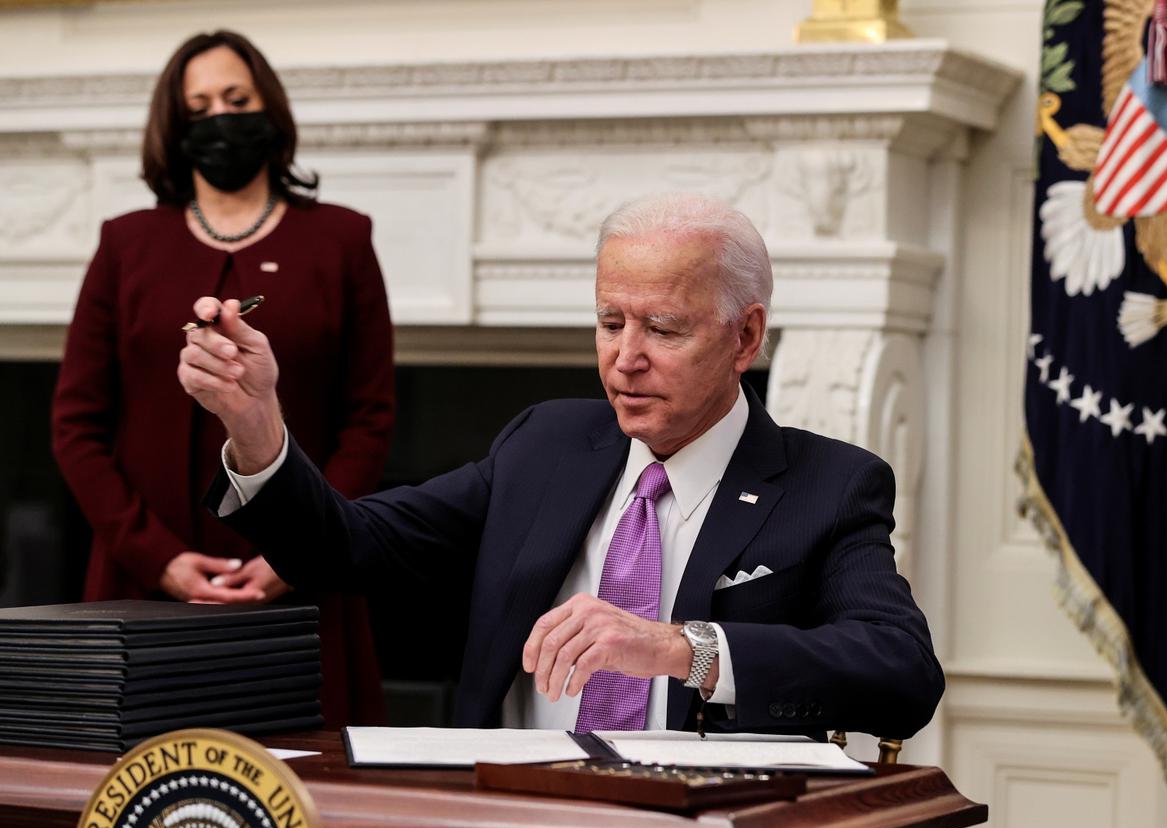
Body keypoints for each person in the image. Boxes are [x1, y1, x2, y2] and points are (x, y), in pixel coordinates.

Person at [179, 192, 943, 738]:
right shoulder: (545, 445)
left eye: (663, 328)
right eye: (610, 322)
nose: (625, 357)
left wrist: (681, 647)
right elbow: (344, 544)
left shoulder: (828, 485)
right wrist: (256, 427)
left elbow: (901, 671)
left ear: (745, 338)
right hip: (512, 822)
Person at [51, 30, 394, 726]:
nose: (220, 119)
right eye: (199, 106)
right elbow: (76, 423)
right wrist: (157, 556)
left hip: (304, 585)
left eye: (236, 99)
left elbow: (371, 418)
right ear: (176, 129)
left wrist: (300, 551)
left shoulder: (343, 239)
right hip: (141, 587)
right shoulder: (125, 244)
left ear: (269, 109)